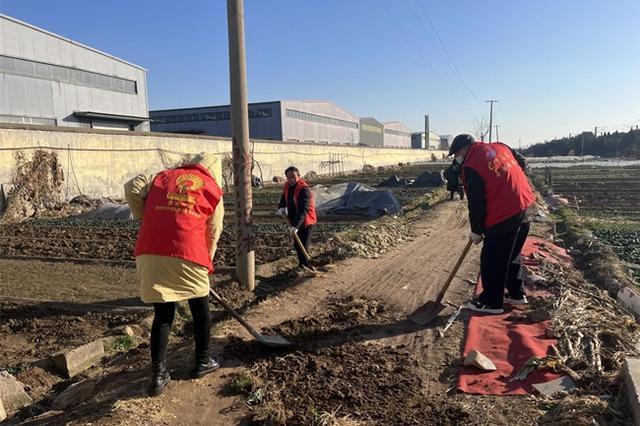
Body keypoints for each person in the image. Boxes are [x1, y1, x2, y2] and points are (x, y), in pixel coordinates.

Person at [124, 153, 225, 396]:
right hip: (187, 252)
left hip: (150, 251)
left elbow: (132, 186)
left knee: (163, 313)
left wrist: (144, 214)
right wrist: (206, 262)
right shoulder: (211, 188)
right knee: (200, 311)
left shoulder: (163, 176)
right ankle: (202, 361)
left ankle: (158, 375)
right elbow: (214, 229)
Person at [448, 134, 536, 314]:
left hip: (505, 214)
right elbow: (522, 162)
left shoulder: (471, 165)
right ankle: (516, 294)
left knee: (492, 259)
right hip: (527, 206)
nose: (457, 157)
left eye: (457, 153)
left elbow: (476, 204)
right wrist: (508, 184)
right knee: (512, 254)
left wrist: (477, 230)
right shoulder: (500, 147)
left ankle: (491, 302)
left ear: (466, 147)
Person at [275, 166, 317, 270]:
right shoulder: (287, 186)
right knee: (297, 245)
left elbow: (303, 210)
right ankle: (301, 265)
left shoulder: (304, 189)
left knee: (304, 245)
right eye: (289, 177)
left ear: (298, 176)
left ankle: (306, 265)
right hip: (293, 220)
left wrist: (296, 226)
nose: (291, 179)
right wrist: (281, 207)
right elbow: (284, 198)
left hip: (306, 221)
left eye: (293, 176)